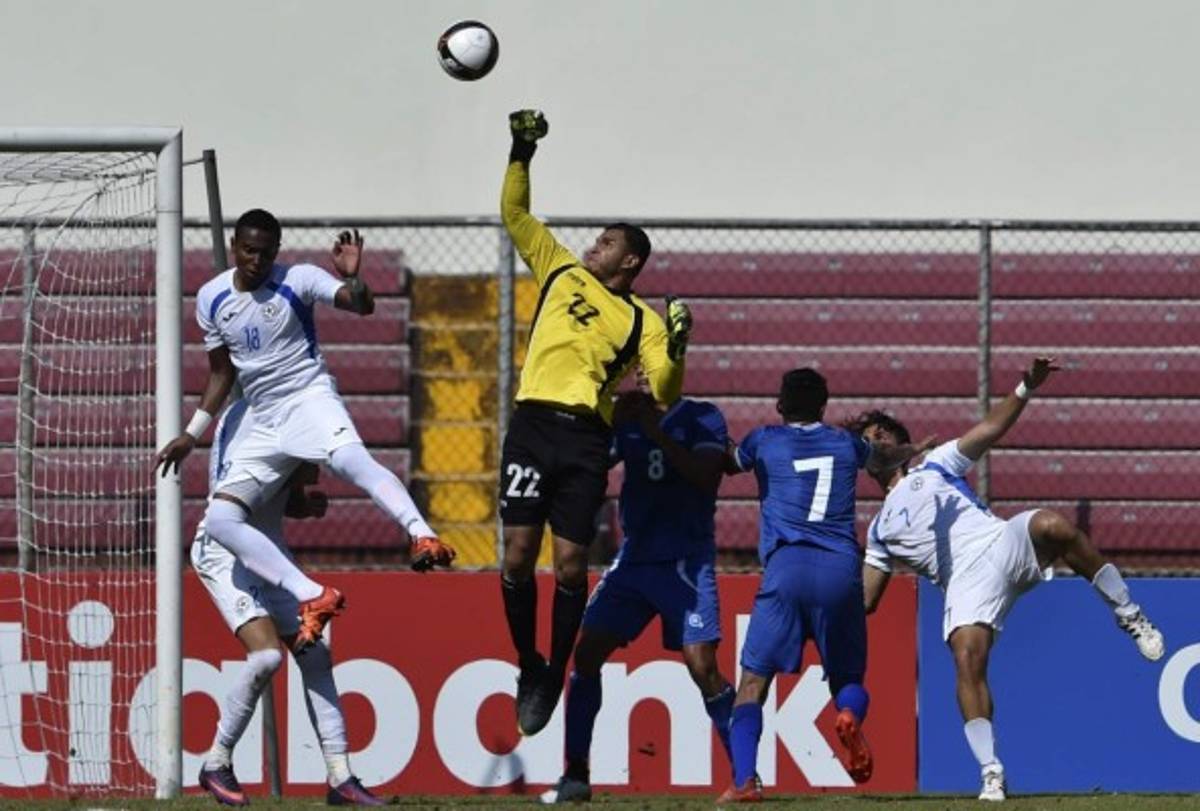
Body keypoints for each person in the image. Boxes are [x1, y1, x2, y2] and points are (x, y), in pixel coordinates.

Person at [847, 356, 1165, 802]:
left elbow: (991, 429)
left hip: (999, 544)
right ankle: (991, 773)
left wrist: (1025, 386)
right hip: (964, 583)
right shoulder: (879, 530)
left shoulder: (935, 465)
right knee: (966, 659)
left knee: (1053, 525)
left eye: (880, 434)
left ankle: (1128, 613)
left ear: (900, 441)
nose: (874, 442)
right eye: (866, 441)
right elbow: (866, 600)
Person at [155, 209, 455, 653]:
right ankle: (312, 595)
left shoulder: (300, 279)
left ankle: (421, 533)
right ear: (235, 247)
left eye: (265, 252)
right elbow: (221, 373)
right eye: (248, 250)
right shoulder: (211, 297)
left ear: (277, 252)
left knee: (353, 461)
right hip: (260, 416)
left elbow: (361, 304)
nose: (256, 260)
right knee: (219, 521)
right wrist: (192, 433)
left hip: (307, 398)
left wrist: (353, 279)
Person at [498, 110, 693, 737]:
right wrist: (520, 150)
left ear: (631, 260)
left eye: (606, 242)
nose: (593, 247)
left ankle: (554, 666)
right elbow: (517, 216)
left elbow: (662, 389)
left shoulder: (644, 321)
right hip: (531, 424)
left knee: (574, 565)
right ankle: (528, 663)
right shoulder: (559, 269)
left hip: (585, 437)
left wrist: (680, 349)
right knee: (518, 555)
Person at [718, 368, 932, 803]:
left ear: (780, 405)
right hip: (840, 570)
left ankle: (744, 782)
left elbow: (726, 461)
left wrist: (706, 433)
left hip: (786, 568)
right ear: (823, 406)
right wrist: (915, 448)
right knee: (848, 676)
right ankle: (849, 714)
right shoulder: (845, 444)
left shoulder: (763, 440)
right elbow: (886, 457)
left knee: (753, 684)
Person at [542, 385, 736, 803]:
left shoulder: (703, 416)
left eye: (654, 365)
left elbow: (705, 477)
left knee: (703, 667)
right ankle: (575, 774)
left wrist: (656, 431)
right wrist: (604, 423)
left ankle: (745, 776)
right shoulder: (626, 415)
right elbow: (590, 465)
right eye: (640, 368)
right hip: (634, 560)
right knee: (588, 652)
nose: (645, 377)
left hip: (686, 560)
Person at [193, 399, 385, 807]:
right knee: (266, 659)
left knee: (315, 655)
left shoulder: (268, 412)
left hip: (266, 551)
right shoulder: (262, 419)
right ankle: (216, 762)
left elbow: (278, 491)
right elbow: (242, 500)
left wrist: (304, 505)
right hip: (224, 552)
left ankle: (340, 778)